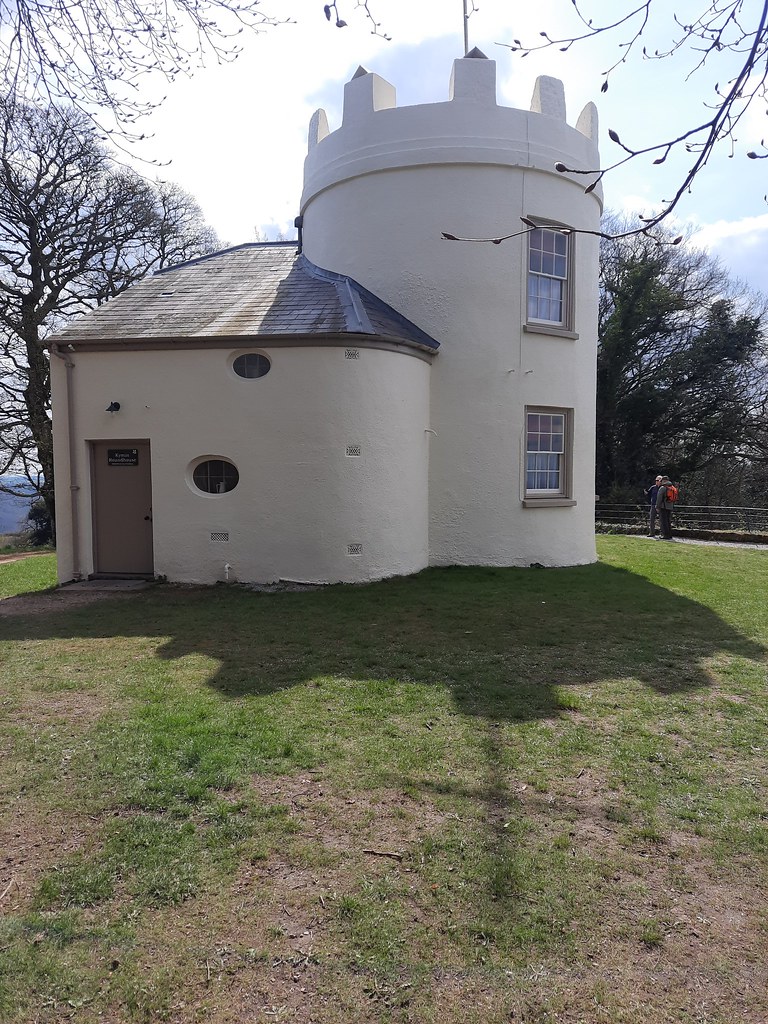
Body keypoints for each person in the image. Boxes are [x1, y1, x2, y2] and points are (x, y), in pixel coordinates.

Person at [655, 475, 675, 540]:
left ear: (663, 481)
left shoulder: (663, 488)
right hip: (670, 507)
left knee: (663, 521)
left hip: (663, 507)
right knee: (668, 521)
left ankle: (665, 535)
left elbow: (659, 498)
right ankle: (669, 535)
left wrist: (657, 507)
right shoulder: (672, 487)